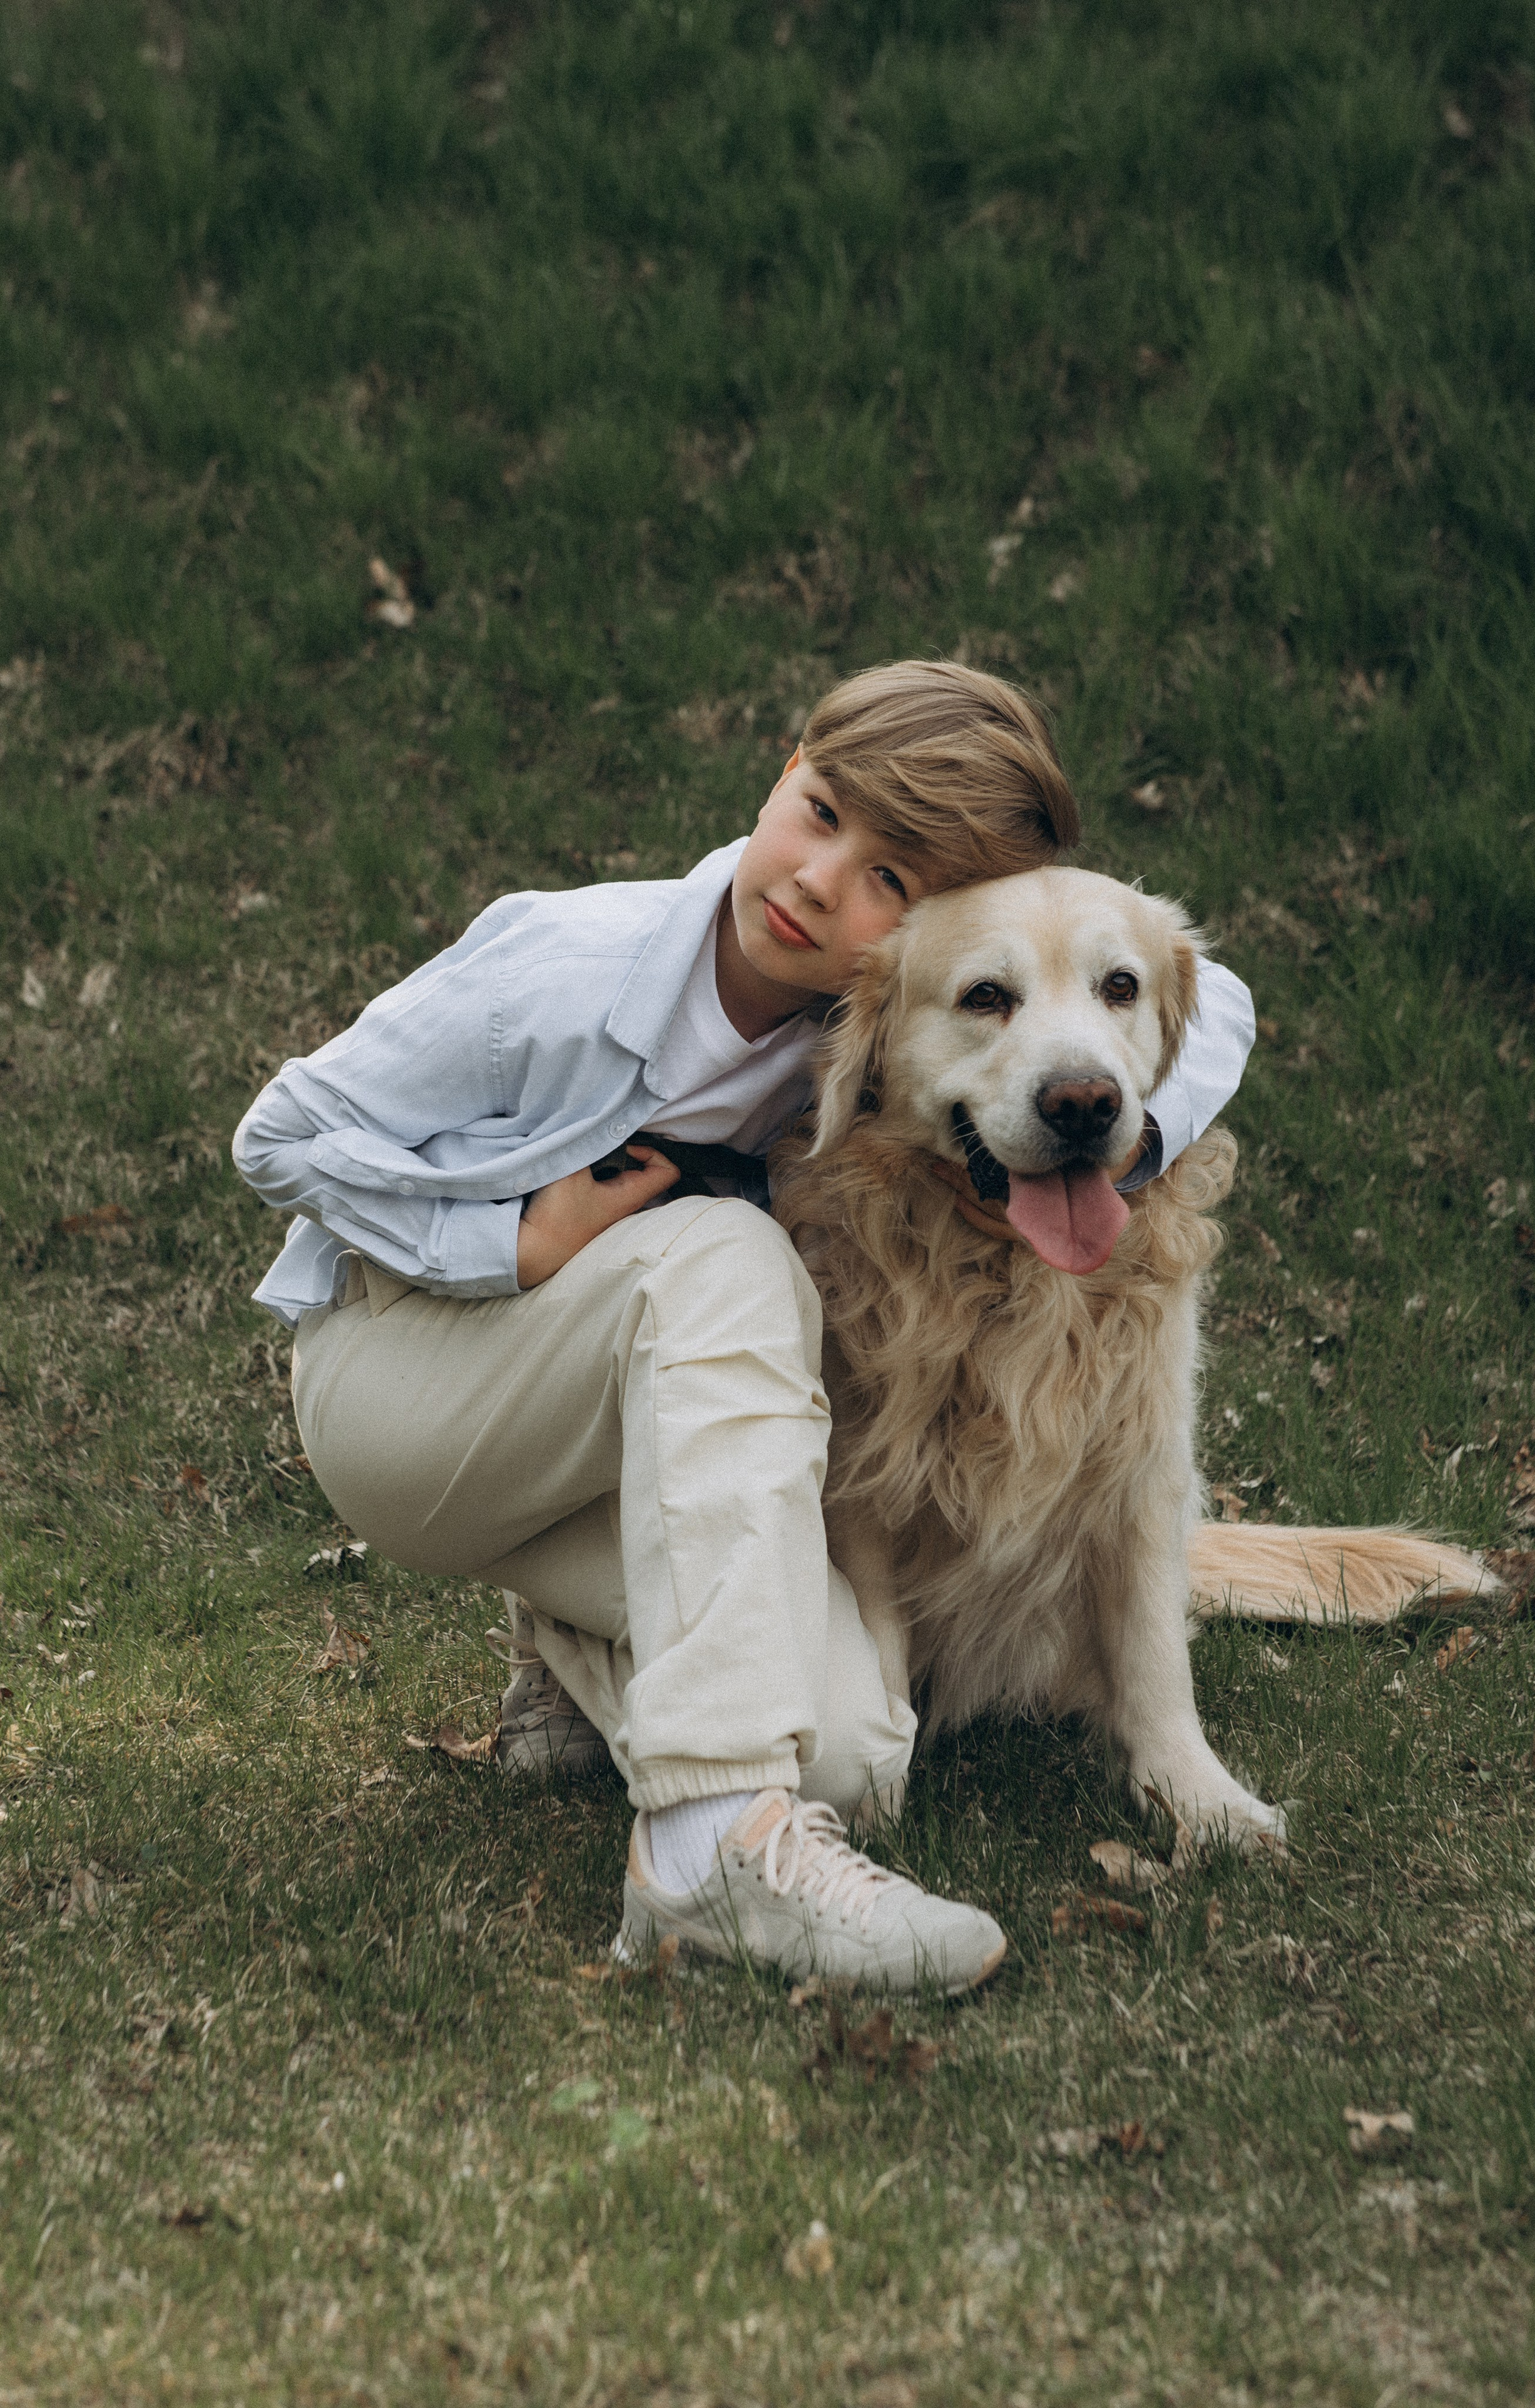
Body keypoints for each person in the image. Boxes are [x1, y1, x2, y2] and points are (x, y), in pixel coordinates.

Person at [232, 660, 1254, 1993]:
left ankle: (581, 1654)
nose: (823, 883)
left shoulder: (872, 1009)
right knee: (726, 1253)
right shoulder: (563, 966)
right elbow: (280, 1132)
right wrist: (510, 1238)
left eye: (891, 878)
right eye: (821, 812)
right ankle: (707, 1846)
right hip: (403, 1392)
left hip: (606, 1424)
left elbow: (1199, 995)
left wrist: (1133, 1133)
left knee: (851, 1758)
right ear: (781, 769)